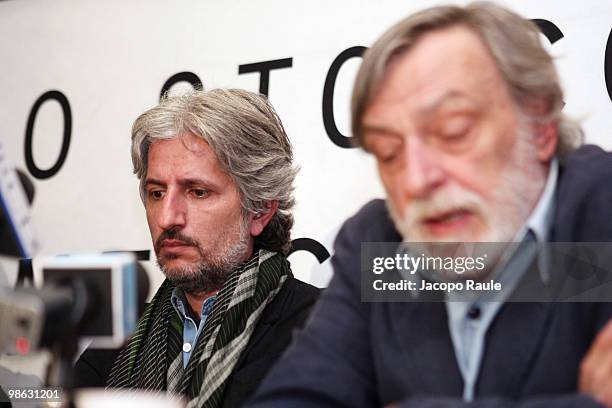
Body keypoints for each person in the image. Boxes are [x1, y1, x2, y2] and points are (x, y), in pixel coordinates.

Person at [249, 2, 612, 407]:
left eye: (453, 132)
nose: (416, 180)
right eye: (389, 152)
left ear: (540, 127)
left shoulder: (603, 208)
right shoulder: (377, 244)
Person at [75, 89, 319, 408]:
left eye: (198, 192)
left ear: (259, 210)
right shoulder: (122, 337)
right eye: (157, 192)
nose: (167, 218)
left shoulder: (323, 328)